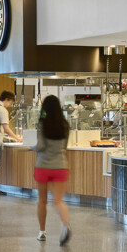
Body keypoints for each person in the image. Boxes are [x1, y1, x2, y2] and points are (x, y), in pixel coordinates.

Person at [33, 94, 72, 244]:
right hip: (60, 166)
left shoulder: (42, 124)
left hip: (43, 166)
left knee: (42, 201)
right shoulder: (65, 124)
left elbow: (41, 146)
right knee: (58, 200)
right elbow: (65, 146)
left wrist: (31, 147)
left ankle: (42, 232)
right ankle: (66, 225)